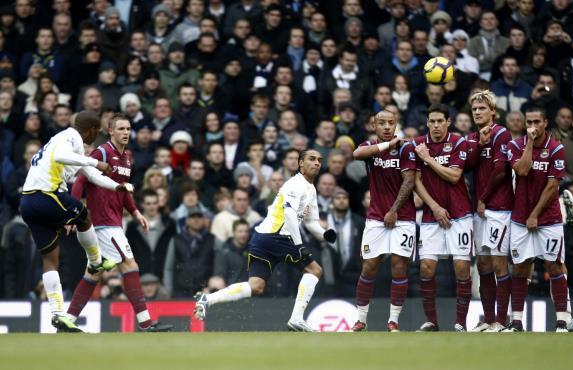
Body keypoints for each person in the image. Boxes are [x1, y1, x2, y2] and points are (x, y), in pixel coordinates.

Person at [193, 149, 337, 332]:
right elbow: (290, 215)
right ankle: (296, 318)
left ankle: (207, 299)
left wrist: (324, 234)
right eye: (311, 159)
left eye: (319, 160)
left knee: (256, 286)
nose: (317, 163)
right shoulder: (295, 184)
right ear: (300, 163)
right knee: (315, 270)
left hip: (262, 237)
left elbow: (310, 221)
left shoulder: (310, 189)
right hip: (278, 236)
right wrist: (299, 245)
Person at [19, 111, 133, 332]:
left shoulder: (70, 146)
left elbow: (91, 175)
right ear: (90, 130)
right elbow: (63, 157)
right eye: (96, 132)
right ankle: (96, 260)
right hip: (46, 195)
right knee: (84, 215)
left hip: (28, 203)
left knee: (51, 259)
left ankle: (58, 314)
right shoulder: (69, 137)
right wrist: (95, 162)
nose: (96, 137)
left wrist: (116, 186)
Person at [65, 114, 172, 332]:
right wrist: (74, 212)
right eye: (121, 129)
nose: (125, 132)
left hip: (114, 221)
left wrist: (135, 213)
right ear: (111, 131)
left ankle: (67, 320)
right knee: (130, 265)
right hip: (104, 223)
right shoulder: (102, 152)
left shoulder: (128, 158)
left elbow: (123, 192)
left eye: (128, 129)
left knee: (93, 273)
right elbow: (81, 179)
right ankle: (145, 323)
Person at [504, 106, 572, 332]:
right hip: (520, 219)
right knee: (521, 268)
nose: (532, 126)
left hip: (549, 220)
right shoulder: (515, 145)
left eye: (536, 122)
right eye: (528, 122)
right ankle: (516, 322)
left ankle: (562, 321)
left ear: (545, 123)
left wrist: (535, 214)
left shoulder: (556, 149)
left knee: (554, 266)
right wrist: (530, 144)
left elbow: (553, 186)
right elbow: (522, 171)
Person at [349, 109, 416, 332]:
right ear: (374, 126)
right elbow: (356, 155)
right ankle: (361, 319)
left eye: (391, 123)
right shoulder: (370, 146)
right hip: (376, 218)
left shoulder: (406, 148)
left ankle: (393, 320)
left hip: (403, 217)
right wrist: (388, 145)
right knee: (369, 266)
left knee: (399, 267)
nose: (387, 127)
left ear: (396, 125)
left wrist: (394, 210)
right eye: (382, 123)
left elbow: (409, 181)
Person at [412, 104, 473, 332]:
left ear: (449, 122)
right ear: (427, 122)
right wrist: (435, 207)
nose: (436, 125)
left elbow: (455, 176)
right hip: (431, 215)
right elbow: (416, 182)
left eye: (440, 121)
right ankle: (432, 321)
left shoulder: (459, 143)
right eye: (432, 121)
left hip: (460, 214)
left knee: (462, 268)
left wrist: (428, 159)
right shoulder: (418, 144)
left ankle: (460, 323)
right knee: (426, 267)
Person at [465, 91, 514, 332]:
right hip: (479, 211)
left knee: (498, 262)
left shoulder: (501, 133)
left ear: (493, 111)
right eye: (474, 109)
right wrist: (479, 144)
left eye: (482, 108)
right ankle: (488, 318)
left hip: (498, 208)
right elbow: (467, 166)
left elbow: (500, 171)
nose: (477, 112)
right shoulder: (475, 137)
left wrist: (483, 199)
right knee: (483, 263)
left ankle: (501, 321)